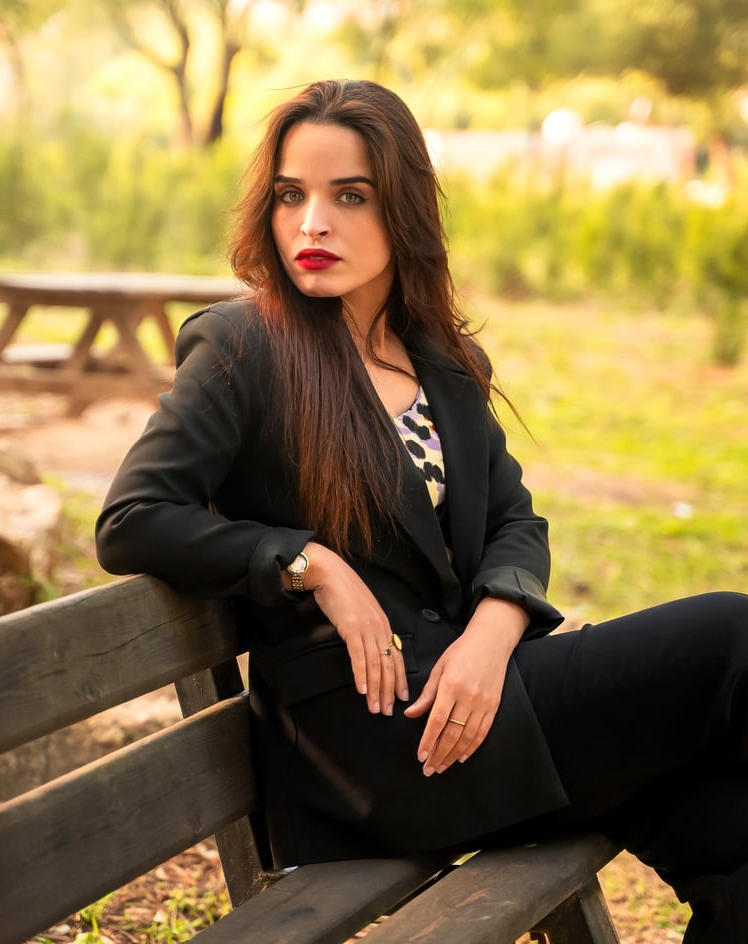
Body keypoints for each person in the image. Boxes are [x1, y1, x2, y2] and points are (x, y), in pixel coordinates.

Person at [95, 79, 748, 944]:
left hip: (478, 699)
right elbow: (133, 517)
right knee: (733, 634)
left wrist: (492, 634)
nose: (312, 224)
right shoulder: (243, 347)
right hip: (378, 746)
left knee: (727, 824)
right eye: (291, 195)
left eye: (350, 196)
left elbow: (516, 522)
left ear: (402, 207)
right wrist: (309, 561)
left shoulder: (441, 359)